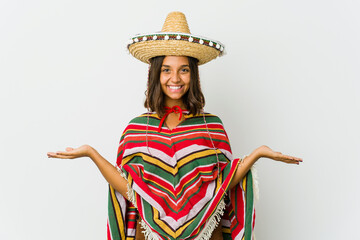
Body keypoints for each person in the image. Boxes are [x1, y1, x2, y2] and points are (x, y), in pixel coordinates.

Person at [47, 11, 302, 240]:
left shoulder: (211, 125)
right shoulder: (138, 128)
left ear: (193, 74)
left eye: (184, 70)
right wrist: (91, 153)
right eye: (167, 70)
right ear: (156, 74)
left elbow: (222, 186)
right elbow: (130, 189)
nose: (175, 78)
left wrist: (257, 154)